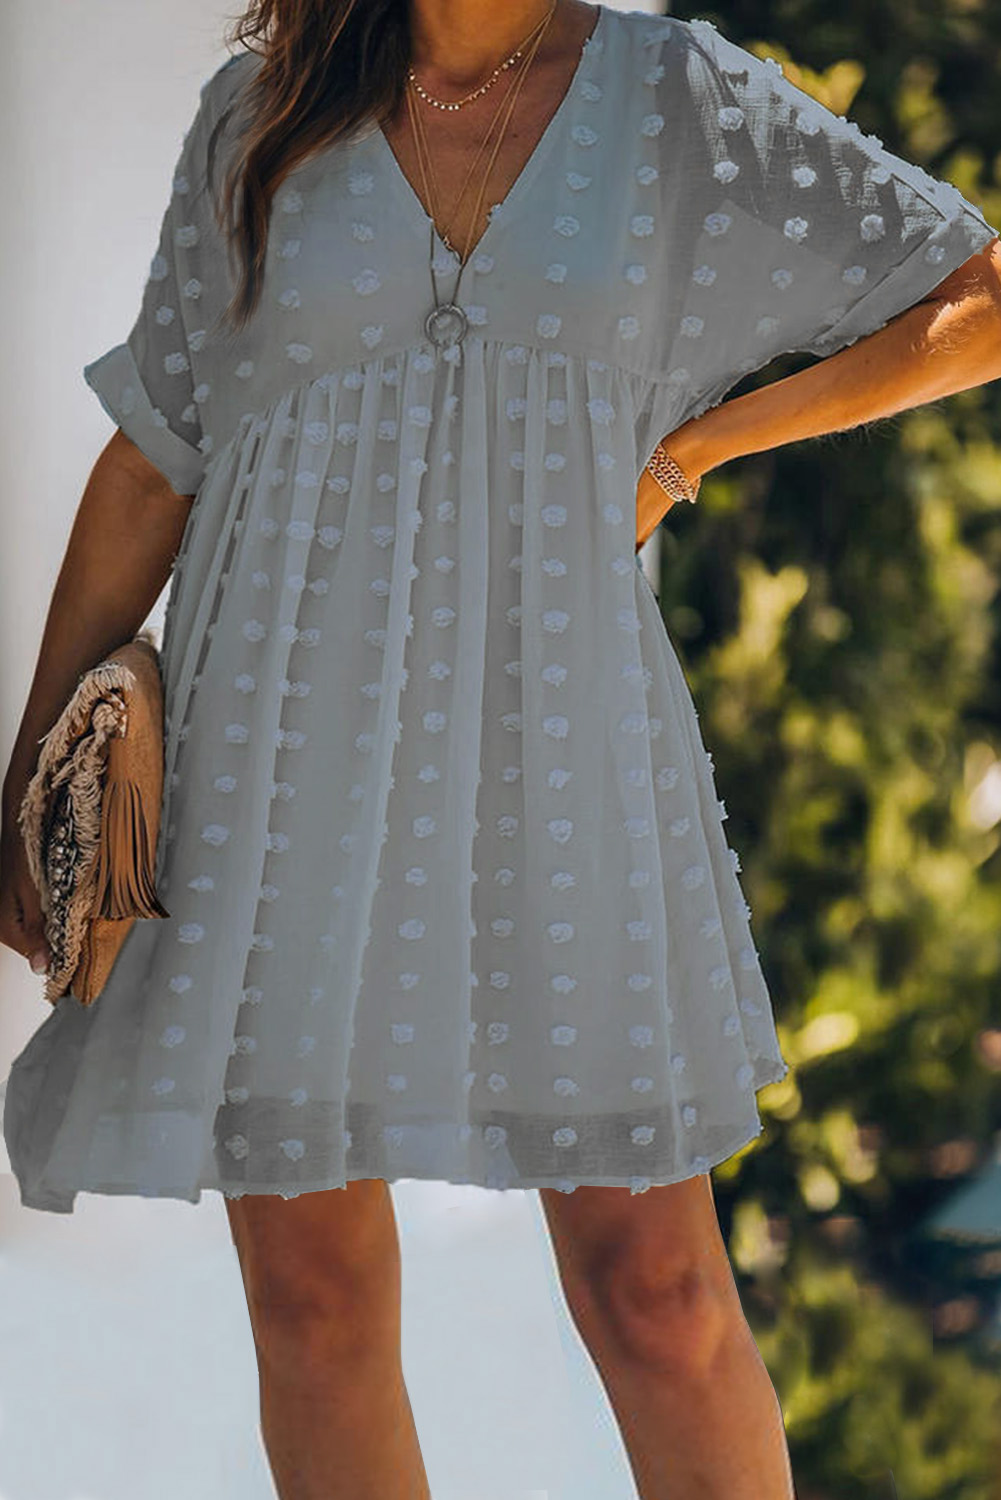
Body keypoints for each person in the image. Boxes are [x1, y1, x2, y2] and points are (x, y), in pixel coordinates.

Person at [1, 0, 999, 1495]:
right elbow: (157, 453)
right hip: (272, 759)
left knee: (655, 1300)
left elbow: (974, 300)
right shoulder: (264, 117)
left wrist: (692, 449)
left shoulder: (671, 98)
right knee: (317, 1307)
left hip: (561, 752)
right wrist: (30, 765)